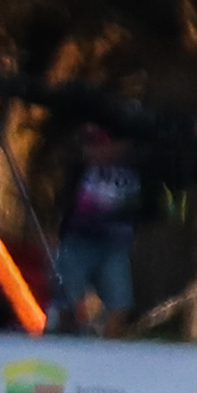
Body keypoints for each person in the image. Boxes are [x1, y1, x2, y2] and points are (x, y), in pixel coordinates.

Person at [56, 126, 143, 334]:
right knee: (69, 300)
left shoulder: (134, 166)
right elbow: (67, 194)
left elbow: (142, 204)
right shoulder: (82, 164)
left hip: (115, 243)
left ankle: (107, 354)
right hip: (79, 239)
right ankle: (64, 342)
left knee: (119, 304)